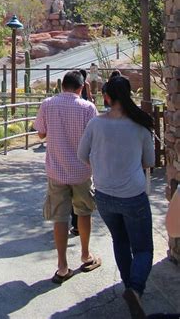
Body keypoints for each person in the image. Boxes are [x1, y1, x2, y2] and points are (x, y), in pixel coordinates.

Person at [78, 75, 154, 319]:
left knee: (120, 241)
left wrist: (100, 164)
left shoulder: (95, 124)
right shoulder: (140, 126)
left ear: (107, 97)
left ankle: (128, 286)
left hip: (104, 194)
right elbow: (150, 161)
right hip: (133, 195)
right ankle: (135, 288)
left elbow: (82, 154)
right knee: (142, 248)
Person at [34, 70, 100, 284]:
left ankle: (62, 266)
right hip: (82, 170)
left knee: (60, 218)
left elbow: (41, 133)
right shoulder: (88, 108)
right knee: (84, 212)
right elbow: (95, 139)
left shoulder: (48, 104)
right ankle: (85, 255)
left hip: (56, 170)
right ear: (81, 87)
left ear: (62, 85)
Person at [70, 69, 94, 235]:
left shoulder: (52, 102)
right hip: (82, 165)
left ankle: (71, 224)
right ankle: (79, 228)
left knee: (66, 199)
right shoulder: (86, 89)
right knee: (82, 202)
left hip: (60, 166)